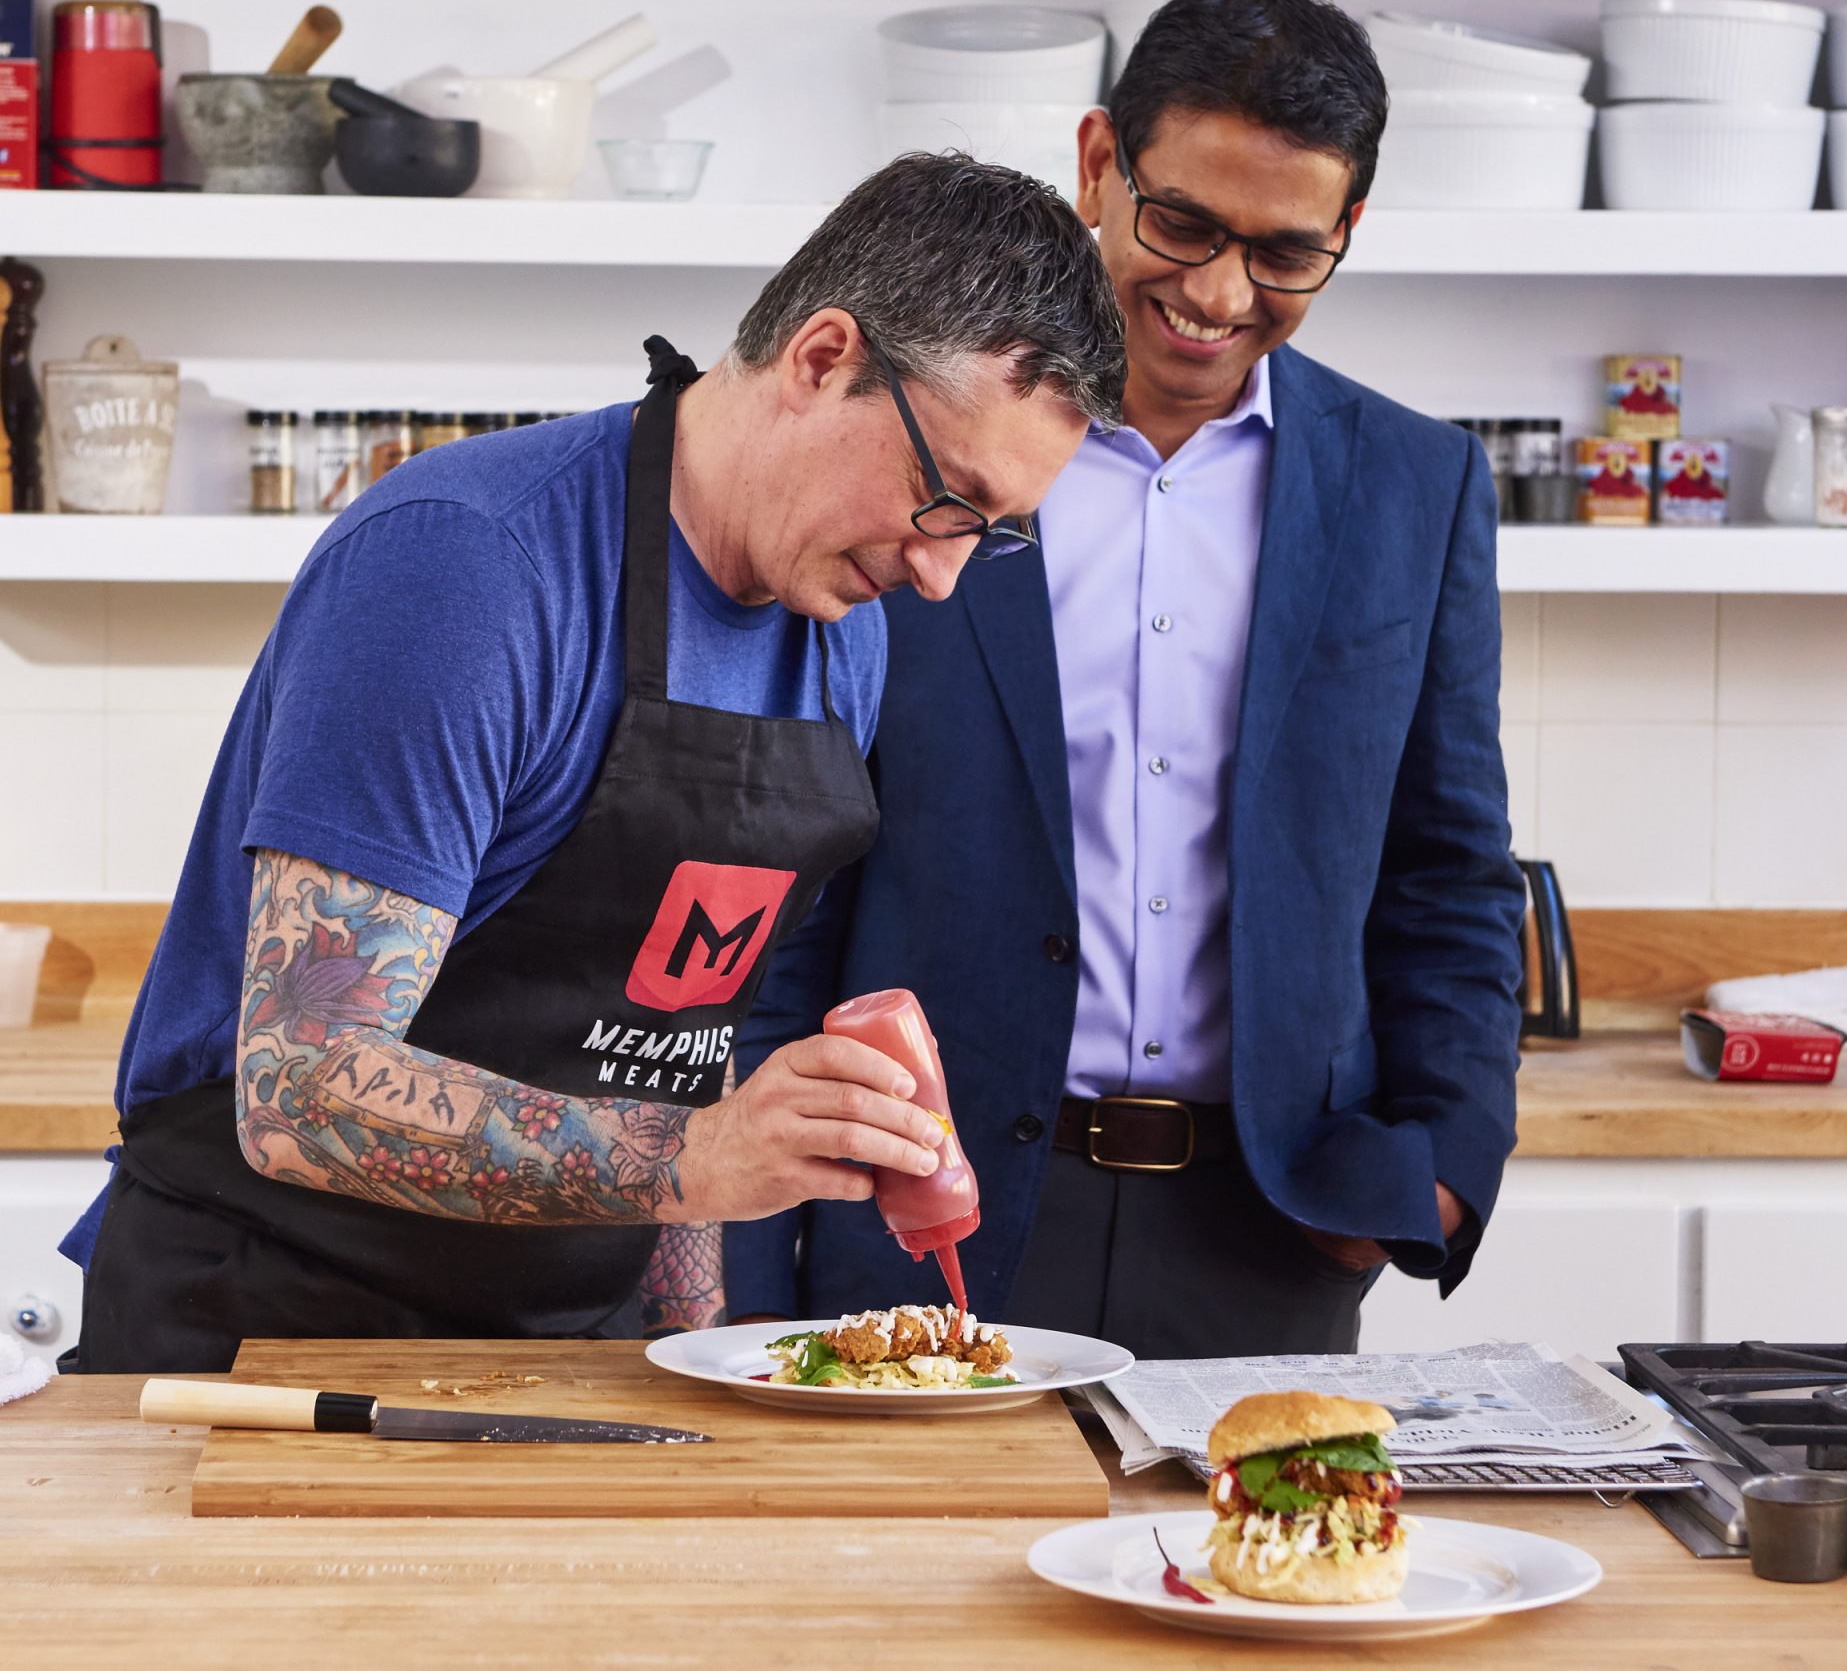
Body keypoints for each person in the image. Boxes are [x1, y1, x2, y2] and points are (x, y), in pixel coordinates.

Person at [64, 154, 1126, 1373]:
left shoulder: (843, 635)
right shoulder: (469, 568)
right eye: (946, 498)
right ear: (823, 358)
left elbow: (681, 1037)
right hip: (269, 1335)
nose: (942, 573)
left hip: (570, 1345)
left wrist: (695, 1347)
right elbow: (300, 1085)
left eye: (990, 534)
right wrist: (694, 1159)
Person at [729, 0, 1521, 1358]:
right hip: (916, 1212)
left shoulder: (1419, 484)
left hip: (1273, 1233)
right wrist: (739, 1252)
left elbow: (1449, 870)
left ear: (1346, 230)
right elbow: (791, 869)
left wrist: (1442, 1169)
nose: (1217, 294)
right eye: (1184, 225)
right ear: (1099, 164)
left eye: (1284, 253)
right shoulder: (921, 450)